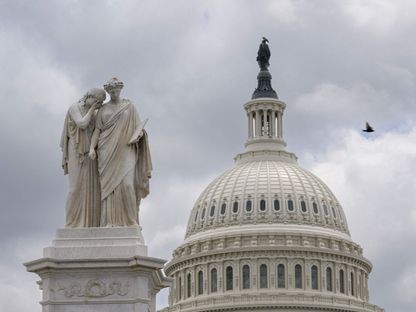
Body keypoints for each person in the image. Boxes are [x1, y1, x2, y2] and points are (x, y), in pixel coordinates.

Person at [89, 78, 152, 227]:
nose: (114, 93)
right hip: (106, 150)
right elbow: (97, 131)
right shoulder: (103, 109)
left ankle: (131, 221)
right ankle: (108, 222)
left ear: (120, 90)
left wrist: (139, 135)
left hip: (126, 149)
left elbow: (138, 127)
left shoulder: (129, 107)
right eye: (111, 91)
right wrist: (92, 148)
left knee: (127, 185)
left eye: (116, 90)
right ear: (108, 92)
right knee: (108, 190)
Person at [60, 88, 106, 227]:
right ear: (88, 97)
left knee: (92, 190)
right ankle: (71, 224)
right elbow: (82, 124)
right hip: (76, 151)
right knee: (75, 188)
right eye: (97, 101)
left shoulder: (96, 112)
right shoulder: (74, 107)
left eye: (101, 102)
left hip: (90, 155)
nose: (98, 104)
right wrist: (93, 109)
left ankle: (90, 224)